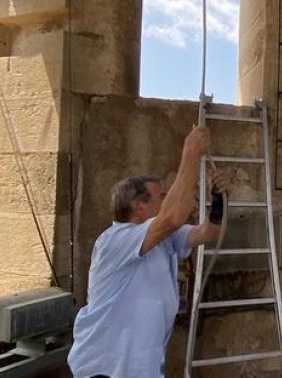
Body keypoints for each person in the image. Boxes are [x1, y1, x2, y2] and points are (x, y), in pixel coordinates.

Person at [68, 126, 227, 378]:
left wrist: (218, 200)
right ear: (138, 206)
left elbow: (208, 233)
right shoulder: (114, 241)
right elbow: (173, 216)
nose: (166, 201)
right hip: (105, 371)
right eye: (160, 197)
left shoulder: (163, 239)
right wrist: (190, 155)